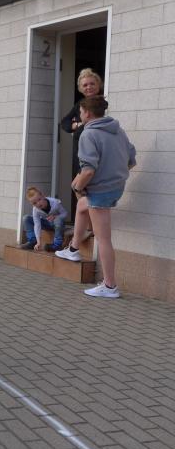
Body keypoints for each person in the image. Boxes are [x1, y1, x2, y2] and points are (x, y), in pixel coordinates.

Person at [56, 95, 136, 298]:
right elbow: (131, 160)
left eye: (80, 112)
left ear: (88, 113)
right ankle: (73, 249)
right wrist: (114, 176)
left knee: (103, 239)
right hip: (115, 187)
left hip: (100, 192)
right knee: (82, 206)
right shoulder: (118, 130)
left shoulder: (88, 134)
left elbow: (88, 170)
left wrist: (77, 186)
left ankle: (110, 286)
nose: (79, 115)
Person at [60, 69, 105, 213]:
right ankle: (87, 224)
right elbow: (64, 123)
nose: (89, 87)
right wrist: (77, 124)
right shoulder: (80, 103)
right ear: (80, 88)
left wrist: (79, 124)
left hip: (93, 158)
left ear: (98, 85)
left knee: (87, 195)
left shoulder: (102, 104)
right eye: (85, 85)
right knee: (80, 195)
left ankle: (92, 225)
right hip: (79, 156)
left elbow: (97, 125)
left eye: (92, 83)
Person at [21, 187, 67, 252]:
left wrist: (56, 216)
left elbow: (65, 213)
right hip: (46, 224)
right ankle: (33, 241)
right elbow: (37, 224)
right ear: (32, 204)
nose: (38, 203)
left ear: (43, 196)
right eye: (34, 203)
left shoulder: (55, 203)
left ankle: (57, 245)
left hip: (57, 224)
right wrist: (38, 242)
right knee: (26, 218)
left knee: (58, 220)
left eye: (39, 199)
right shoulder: (35, 209)